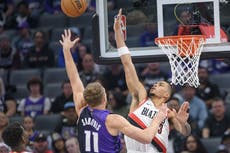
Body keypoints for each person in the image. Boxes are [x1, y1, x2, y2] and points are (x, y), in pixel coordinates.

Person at [60, 29, 168, 153]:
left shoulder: (81, 110)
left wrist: (66, 50)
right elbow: (146, 137)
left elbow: (74, 78)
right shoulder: (112, 120)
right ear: (104, 98)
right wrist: (158, 118)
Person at [114, 9, 191, 153]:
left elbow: (185, 132)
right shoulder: (141, 97)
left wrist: (182, 122)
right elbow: (127, 64)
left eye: (161, 84)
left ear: (166, 96)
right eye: (156, 83)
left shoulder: (167, 112)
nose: (156, 84)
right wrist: (118, 35)